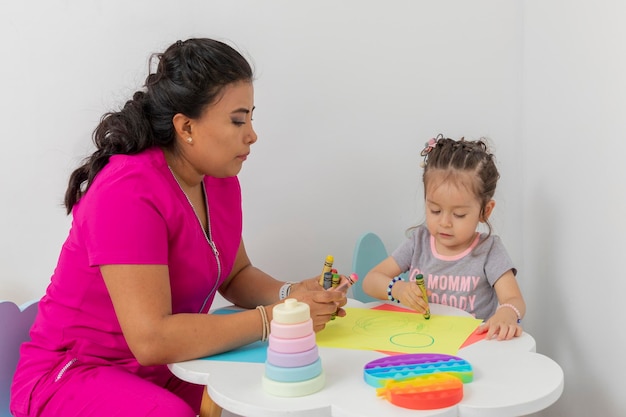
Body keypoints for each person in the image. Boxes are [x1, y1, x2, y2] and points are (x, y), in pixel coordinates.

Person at [10, 38, 347, 417]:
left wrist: (292, 294)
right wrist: (274, 318)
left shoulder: (219, 179)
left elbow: (235, 275)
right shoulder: (127, 191)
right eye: (238, 120)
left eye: (252, 117)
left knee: (269, 395)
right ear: (186, 126)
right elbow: (152, 339)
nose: (252, 134)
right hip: (75, 374)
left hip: (166, 367)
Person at [362, 134, 525, 341]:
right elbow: (370, 281)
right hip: (419, 343)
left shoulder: (489, 250)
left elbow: (514, 299)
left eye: (459, 215)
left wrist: (506, 313)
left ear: (485, 211)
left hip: (470, 350)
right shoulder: (419, 242)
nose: (445, 223)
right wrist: (399, 289)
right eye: (435, 210)